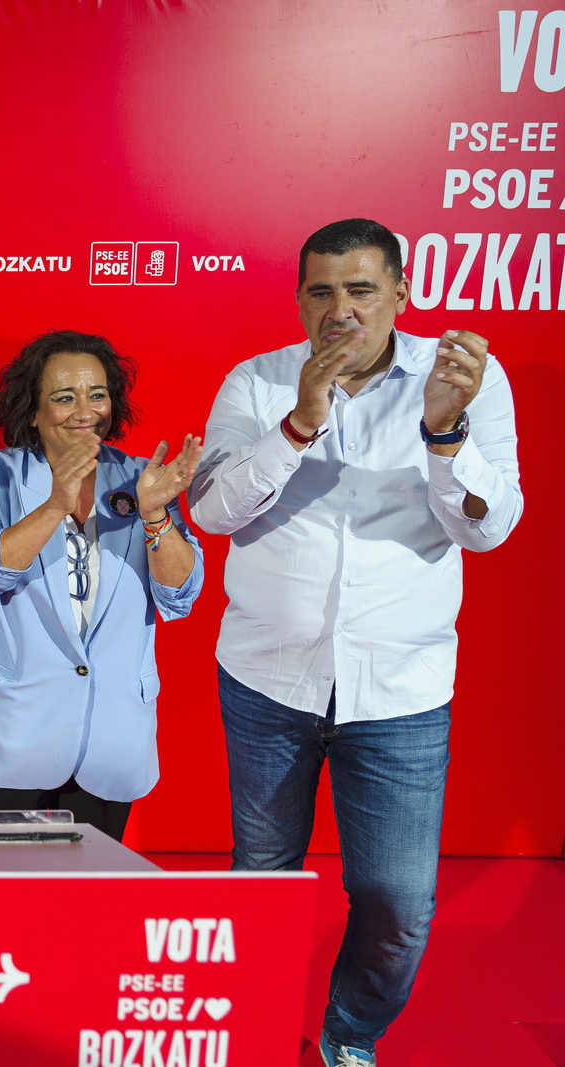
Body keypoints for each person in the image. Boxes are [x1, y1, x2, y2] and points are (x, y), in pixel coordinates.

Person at [189, 218, 522, 1067]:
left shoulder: (463, 382)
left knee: (397, 897)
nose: (341, 310)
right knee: (262, 880)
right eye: (322, 291)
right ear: (300, 299)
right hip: (268, 678)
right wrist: (297, 425)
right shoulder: (258, 383)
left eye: (361, 290)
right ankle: (256, 1032)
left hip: (401, 690)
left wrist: (445, 435)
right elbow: (212, 511)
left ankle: (349, 1033)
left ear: (401, 294)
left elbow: (487, 531)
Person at [0, 330, 203, 839]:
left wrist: (154, 517)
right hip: (8, 733)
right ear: (32, 411)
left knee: (88, 909)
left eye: (97, 394)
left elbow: (180, 595)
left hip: (107, 739)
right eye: (64, 397)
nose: (85, 410)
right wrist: (55, 505)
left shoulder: (142, 479)